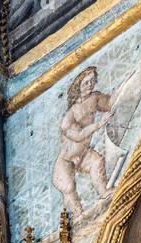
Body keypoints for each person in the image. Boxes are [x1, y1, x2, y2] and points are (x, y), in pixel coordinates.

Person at [53, 67, 112, 220]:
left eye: (92, 81)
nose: (90, 85)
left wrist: (128, 83)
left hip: (83, 154)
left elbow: (111, 102)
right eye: (86, 82)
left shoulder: (94, 99)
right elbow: (78, 136)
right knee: (69, 187)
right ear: (78, 85)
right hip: (66, 161)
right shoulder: (70, 115)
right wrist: (98, 125)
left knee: (97, 161)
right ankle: (78, 216)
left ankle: (103, 192)